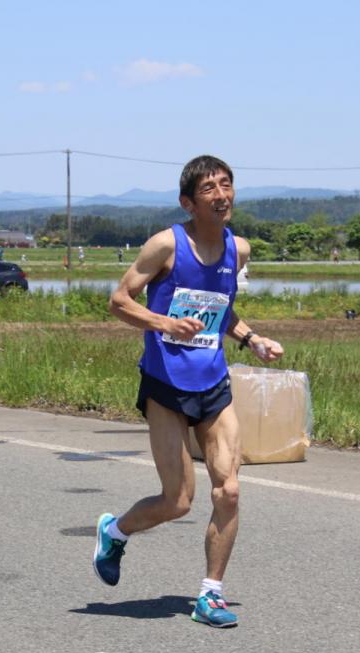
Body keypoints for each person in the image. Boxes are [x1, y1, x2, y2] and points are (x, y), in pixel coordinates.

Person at [93, 155, 283, 629]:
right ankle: (115, 531)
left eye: (226, 184)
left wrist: (252, 339)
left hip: (213, 382)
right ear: (188, 203)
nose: (221, 195)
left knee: (229, 490)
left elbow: (221, 309)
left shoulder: (238, 249)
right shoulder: (166, 245)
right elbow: (119, 301)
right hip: (166, 385)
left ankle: (210, 595)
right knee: (178, 501)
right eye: (209, 189)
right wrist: (164, 323)